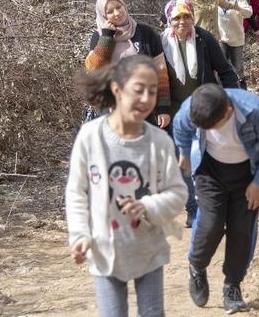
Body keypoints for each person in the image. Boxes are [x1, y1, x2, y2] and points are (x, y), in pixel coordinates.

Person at [66, 54, 188, 317]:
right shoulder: (91, 137)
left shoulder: (159, 142)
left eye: (152, 92)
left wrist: (147, 205)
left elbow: (178, 192)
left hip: (148, 249)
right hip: (104, 251)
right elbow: (77, 191)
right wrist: (79, 235)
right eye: (138, 90)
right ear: (117, 89)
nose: (146, 99)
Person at [173, 84, 259, 314]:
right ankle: (197, 266)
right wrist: (183, 152)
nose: (205, 131)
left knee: (241, 230)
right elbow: (180, 127)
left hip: (246, 175)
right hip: (210, 171)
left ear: (228, 112)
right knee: (210, 223)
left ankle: (232, 286)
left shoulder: (254, 110)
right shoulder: (194, 106)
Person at [160, 0, 240, 226]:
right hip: (175, 115)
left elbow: (225, 70)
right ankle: (194, 209)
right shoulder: (161, 44)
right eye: (177, 18)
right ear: (169, 20)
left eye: (186, 16)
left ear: (193, 17)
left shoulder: (204, 39)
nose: (182, 22)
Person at [84, 0, 171, 128]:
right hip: (111, 108)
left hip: (143, 104)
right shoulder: (98, 37)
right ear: (103, 15)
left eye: (119, 7)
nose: (117, 13)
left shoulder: (145, 33)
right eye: (110, 11)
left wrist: (163, 108)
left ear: (125, 6)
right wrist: (107, 37)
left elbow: (161, 71)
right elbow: (93, 69)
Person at [217, 0, 254, 89]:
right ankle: (225, 90)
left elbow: (249, 12)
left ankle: (242, 89)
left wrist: (238, 8)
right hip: (221, 37)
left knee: (238, 67)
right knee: (220, 65)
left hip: (236, 37)